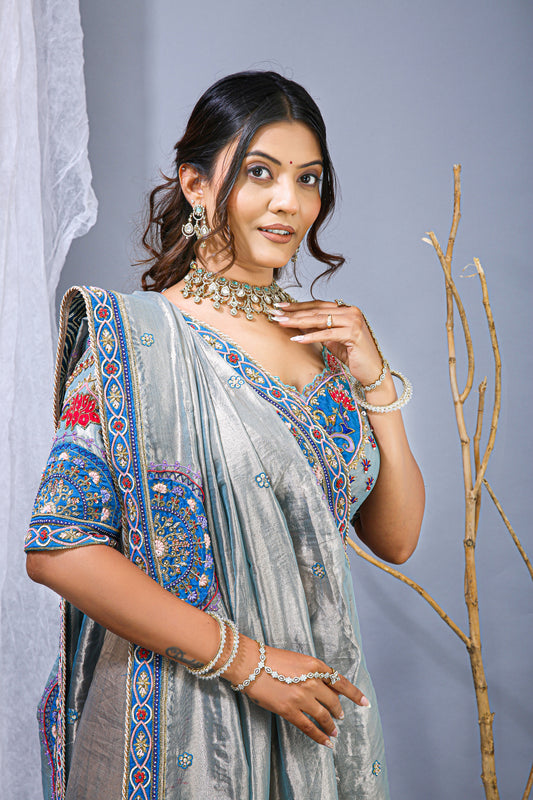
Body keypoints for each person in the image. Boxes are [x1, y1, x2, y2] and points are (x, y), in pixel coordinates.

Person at [25, 70, 425, 800]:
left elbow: (394, 538)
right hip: (180, 715)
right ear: (197, 185)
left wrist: (377, 383)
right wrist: (248, 664)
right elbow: (60, 548)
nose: (288, 201)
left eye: (308, 179)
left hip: (316, 714)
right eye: (259, 173)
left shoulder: (326, 349)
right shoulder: (135, 341)